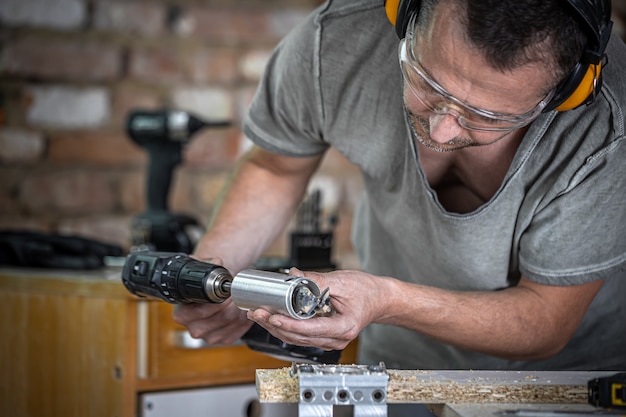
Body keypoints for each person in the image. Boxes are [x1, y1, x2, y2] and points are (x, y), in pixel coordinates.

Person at [174, 0, 626, 370]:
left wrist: (386, 300)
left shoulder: (607, 131)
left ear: (567, 91)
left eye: (490, 117)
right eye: (429, 83)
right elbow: (276, 168)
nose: (443, 130)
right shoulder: (333, 46)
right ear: (404, 13)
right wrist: (216, 273)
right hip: (397, 367)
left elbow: (544, 320)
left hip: (565, 386)